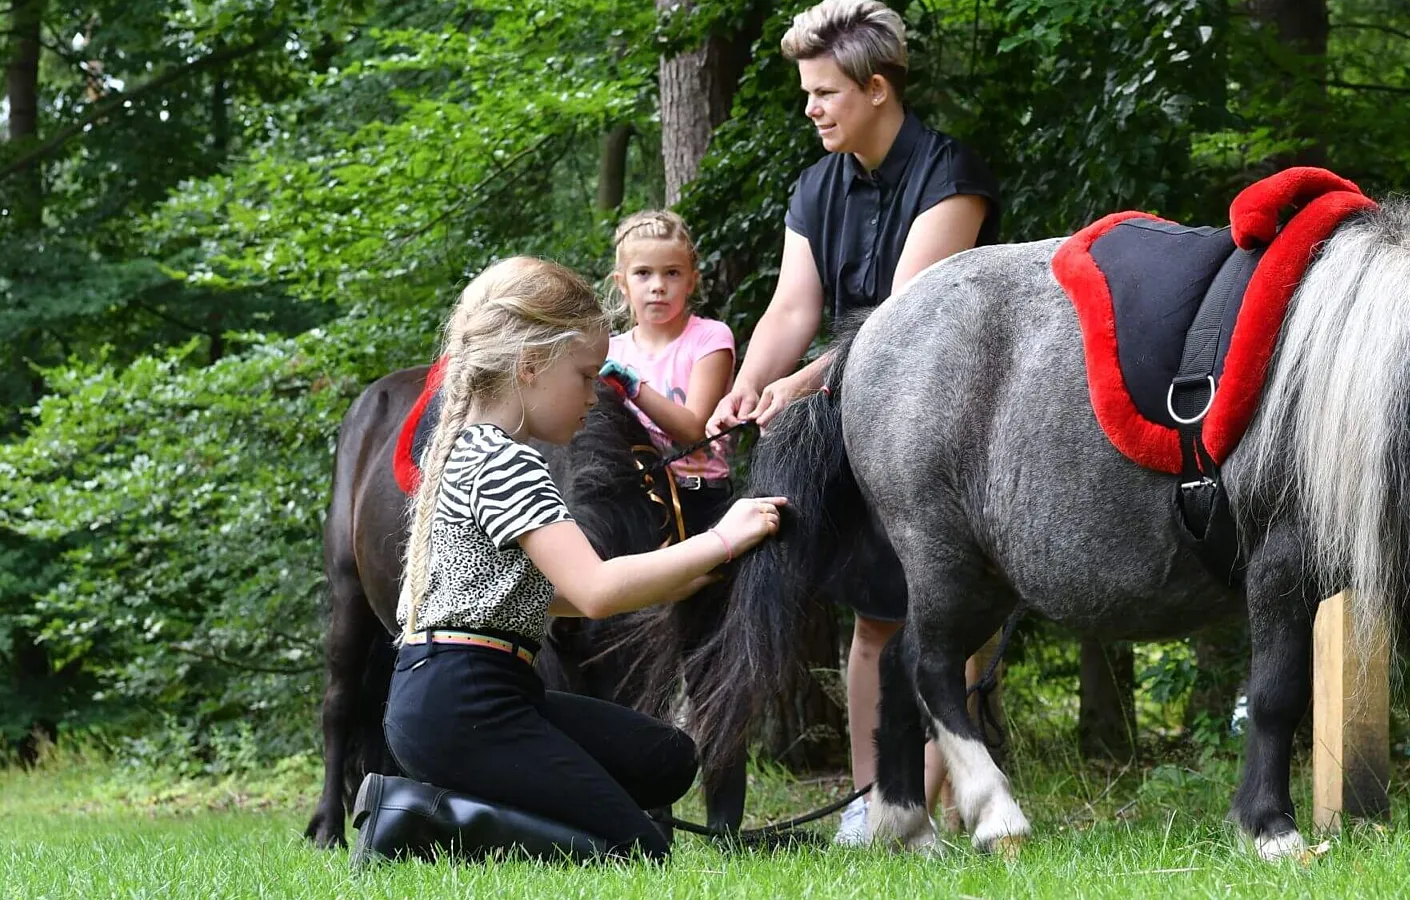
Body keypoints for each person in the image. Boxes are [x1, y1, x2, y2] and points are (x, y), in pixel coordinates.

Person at [355, 256, 784, 866]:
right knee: (638, 850)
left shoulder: (468, 448)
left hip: (468, 693)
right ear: (530, 367)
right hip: (465, 703)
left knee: (667, 760)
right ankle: (420, 820)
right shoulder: (506, 462)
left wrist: (686, 571)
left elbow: (537, 591)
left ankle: (493, 802)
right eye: (585, 376)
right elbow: (595, 591)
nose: (593, 395)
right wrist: (722, 538)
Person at [705, 0, 999, 845]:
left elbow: (901, 322)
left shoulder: (952, 176)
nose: (811, 108)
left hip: (950, 416)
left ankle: (933, 806)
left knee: (947, 619)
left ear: (876, 89)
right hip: (852, 410)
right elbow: (791, 308)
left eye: (825, 92)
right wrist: (747, 385)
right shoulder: (815, 184)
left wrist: (795, 384)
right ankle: (876, 807)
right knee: (876, 617)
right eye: (807, 92)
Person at [598, 210, 737, 536]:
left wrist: (634, 387)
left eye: (672, 273)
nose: (658, 286)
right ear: (622, 283)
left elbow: (693, 430)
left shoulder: (710, 338)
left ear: (692, 280)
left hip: (700, 496)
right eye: (643, 273)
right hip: (634, 499)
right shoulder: (611, 352)